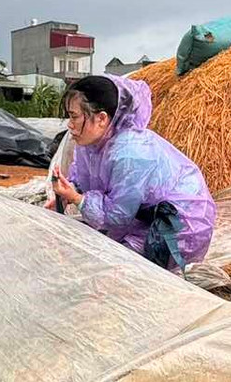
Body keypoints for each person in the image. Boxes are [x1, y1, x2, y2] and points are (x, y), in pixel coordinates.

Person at [47, 74, 215, 269]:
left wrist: (77, 199)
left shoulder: (130, 153)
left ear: (101, 118)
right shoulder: (91, 144)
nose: (70, 124)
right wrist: (68, 191)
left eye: (74, 116)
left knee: (112, 267)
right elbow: (83, 177)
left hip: (179, 225)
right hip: (140, 215)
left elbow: (117, 217)